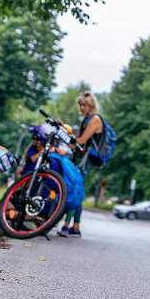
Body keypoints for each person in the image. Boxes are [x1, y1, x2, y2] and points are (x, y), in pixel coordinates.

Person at [58, 91, 105, 238]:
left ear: (91, 105)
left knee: (75, 190)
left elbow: (81, 141)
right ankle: (75, 226)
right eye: (80, 104)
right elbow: (76, 138)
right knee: (75, 189)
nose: (81, 107)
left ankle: (68, 225)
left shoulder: (95, 119)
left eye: (84, 105)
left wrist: (65, 148)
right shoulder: (86, 119)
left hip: (86, 161)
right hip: (80, 159)